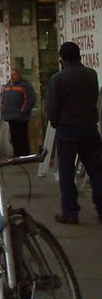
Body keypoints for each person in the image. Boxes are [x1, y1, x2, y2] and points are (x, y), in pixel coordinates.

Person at [44, 41, 102, 225]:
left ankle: (70, 212)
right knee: (97, 170)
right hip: (89, 128)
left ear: (61, 58)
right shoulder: (91, 75)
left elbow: (52, 107)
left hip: (67, 129)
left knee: (67, 172)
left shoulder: (58, 79)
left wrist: (56, 123)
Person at [0, 67, 36, 157]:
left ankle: (24, 154)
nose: (12, 77)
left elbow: (29, 100)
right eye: (11, 75)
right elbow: (3, 99)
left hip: (21, 117)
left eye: (14, 75)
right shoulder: (7, 86)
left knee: (22, 136)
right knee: (13, 137)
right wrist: (3, 110)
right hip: (10, 116)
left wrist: (22, 111)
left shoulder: (25, 86)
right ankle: (16, 154)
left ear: (19, 75)